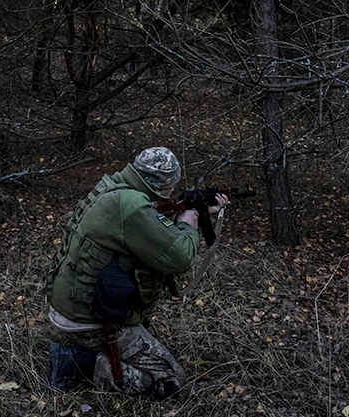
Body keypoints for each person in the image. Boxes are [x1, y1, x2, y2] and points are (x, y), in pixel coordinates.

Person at [45, 147, 228, 396]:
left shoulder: (116, 188)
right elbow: (180, 257)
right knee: (171, 381)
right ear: (157, 185)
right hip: (88, 321)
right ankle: (78, 363)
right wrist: (187, 225)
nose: (173, 193)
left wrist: (198, 212)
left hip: (72, 305)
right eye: (170, 187)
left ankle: (88, 353)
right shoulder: (133, 207)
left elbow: (149, 226)